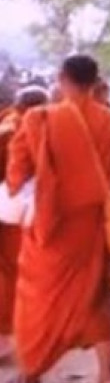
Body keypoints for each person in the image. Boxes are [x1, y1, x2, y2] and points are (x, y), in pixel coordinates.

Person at [4, 55, 110, 383]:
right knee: (96, 299)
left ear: (61, 78)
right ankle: (107, 380)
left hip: (53, 229)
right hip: (92, 228)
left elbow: (16, 175)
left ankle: (31, 377)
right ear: (95, 81)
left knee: (37, 300)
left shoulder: (40, 119)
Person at [0, 86, 49, 362]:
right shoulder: (16, 130)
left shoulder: (16, 127)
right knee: (13, 272)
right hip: (15, 210)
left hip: (15, 209)